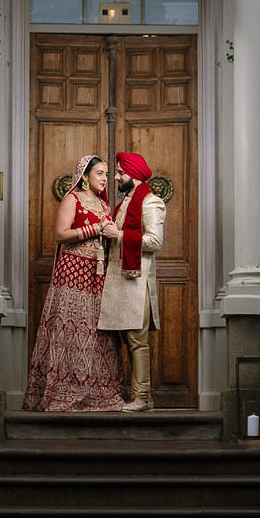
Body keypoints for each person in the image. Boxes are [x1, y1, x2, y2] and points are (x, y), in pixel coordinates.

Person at [21, 154, 127, 412]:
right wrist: (95, 229)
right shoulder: (72, 199)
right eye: (99, 173)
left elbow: (108, 233)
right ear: (85, 176)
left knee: (98, 333)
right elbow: (60, 234)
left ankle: (98, 394)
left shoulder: (103, 205)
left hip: (99, 275)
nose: (104, 179)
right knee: (71, 329)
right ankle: (62, 393)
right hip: (73, 273)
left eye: (106, 174)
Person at [98, 151, 166, 412]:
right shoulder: (126, 201)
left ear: (134, 176)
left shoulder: (150, 202)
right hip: (120, 282)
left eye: (120, 173)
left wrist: (119, 234)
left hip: (136, 283)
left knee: (137, 342)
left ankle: (142, 398)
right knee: (126, 341)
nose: (116, 177)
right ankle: (133, 395)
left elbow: (155, 241)